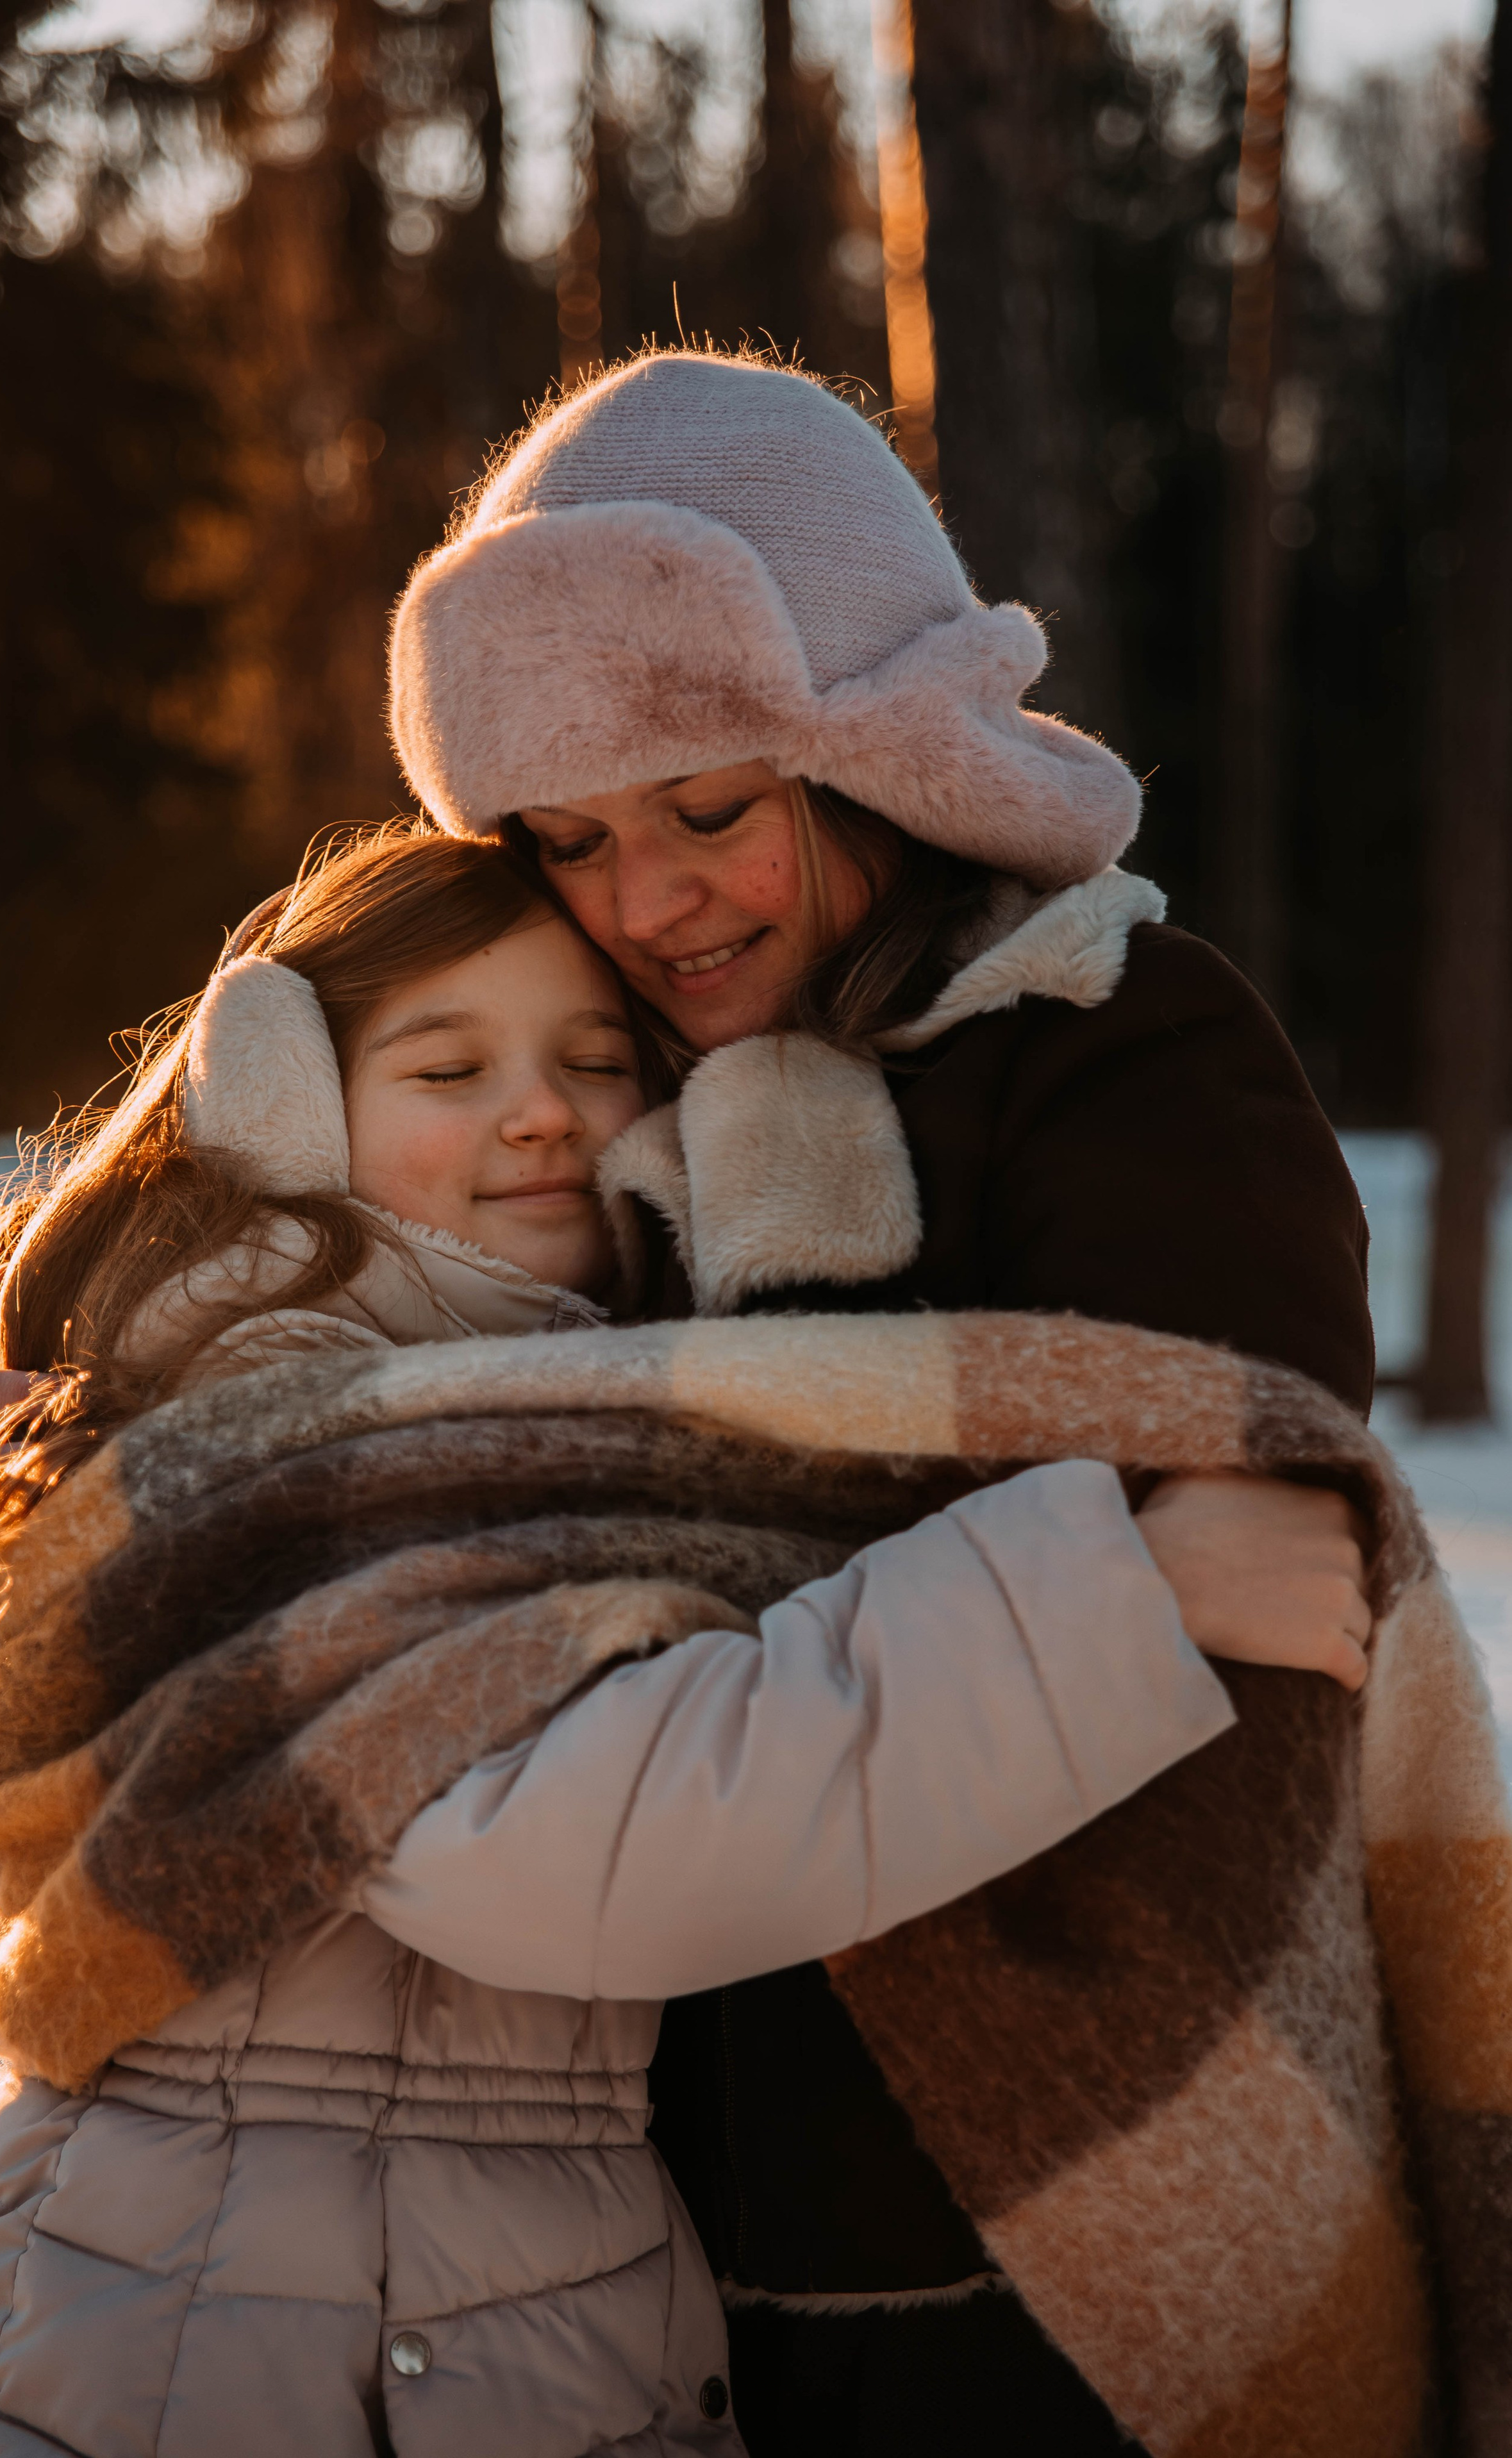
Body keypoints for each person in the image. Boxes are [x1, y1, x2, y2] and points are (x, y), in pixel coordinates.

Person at [0, 823, 1366, 2458]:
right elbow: (564, 1839)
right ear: (281, 1112)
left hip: (450, 2314)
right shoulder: (270, 1443)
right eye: (446, 1068)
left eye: (597, 1060)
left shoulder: (518, 1432)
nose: (541, 1111)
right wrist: (1114, 1602)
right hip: (229, 2357)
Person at [377, 347, 1379, 2454]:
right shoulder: (615, 1112)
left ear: (882, 750)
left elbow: (1245, 1568)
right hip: (669, 2260)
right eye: (572, 839)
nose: (649, 902)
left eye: (712, 807)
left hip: (1084, 2242)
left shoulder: (1114, 1032)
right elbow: (347, 1370)